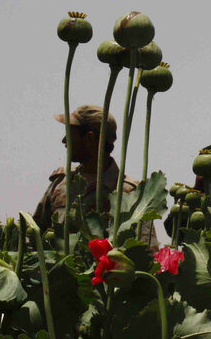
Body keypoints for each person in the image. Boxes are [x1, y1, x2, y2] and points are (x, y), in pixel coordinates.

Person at [34, 105, 158, 248]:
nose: (64, 141)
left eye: (69, 134)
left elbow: (147, 251)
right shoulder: (61, 183)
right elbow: (34, 235)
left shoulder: (131, 194)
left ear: (89, 138)